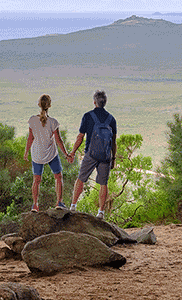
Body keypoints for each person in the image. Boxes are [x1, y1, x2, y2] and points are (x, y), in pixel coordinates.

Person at [68, 89, 117, 219]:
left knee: (81, 178)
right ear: (104, 103)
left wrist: (72, 152)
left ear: (94, 102)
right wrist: (113, 158)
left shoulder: (88, 116)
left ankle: (73, 205)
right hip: (106, 156)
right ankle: (101, 212)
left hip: (90, 154)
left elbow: (80, 137)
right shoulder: (111, 119)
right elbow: (113, 142)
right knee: (103, 184)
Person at [26, 94, 69, 212]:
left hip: (37, 154)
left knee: (36, 179)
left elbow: (30, 138)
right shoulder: (53, 122)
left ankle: (35, 205)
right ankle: (59, 202)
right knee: (58, 176)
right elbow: (59, 140)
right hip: (51, 154)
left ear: (39, 104)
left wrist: (26, 153)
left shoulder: (32, 120)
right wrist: (66, 154)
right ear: (49, 105)